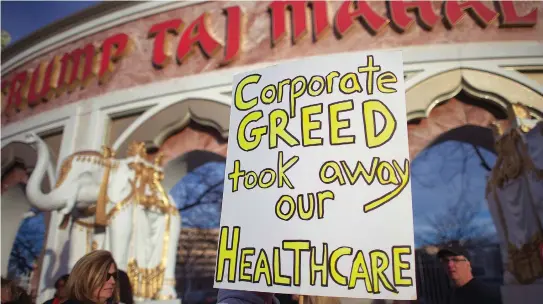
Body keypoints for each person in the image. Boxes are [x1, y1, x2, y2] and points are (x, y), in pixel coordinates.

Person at [437, 243, 502, 304]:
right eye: (445, 261)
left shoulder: (486, 295)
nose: (449, 265)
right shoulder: (450, 295)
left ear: (468, 264)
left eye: (455, 260)